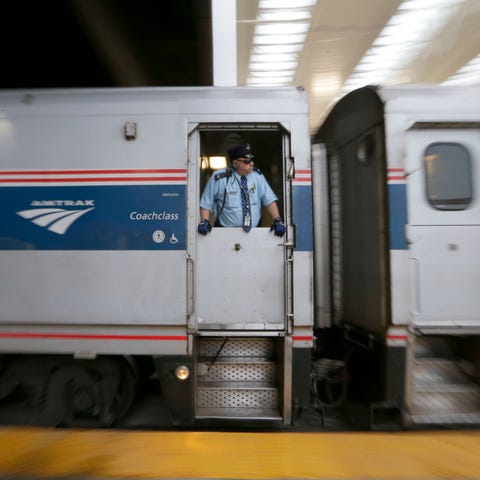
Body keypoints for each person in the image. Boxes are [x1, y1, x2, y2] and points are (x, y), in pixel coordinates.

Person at [198, 144, 285, 237]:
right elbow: (206, 202)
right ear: (235, 163)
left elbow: (269, 200)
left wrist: (277, 220)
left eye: (252, 160)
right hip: (225, 233)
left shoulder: (257, 176)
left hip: (254, 232)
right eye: (247, 161)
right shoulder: (219, 178)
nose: (252, 163)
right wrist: (204, 221)